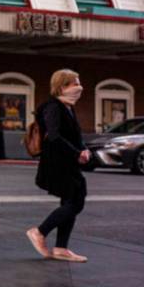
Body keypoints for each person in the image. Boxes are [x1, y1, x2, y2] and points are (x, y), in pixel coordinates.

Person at [26, 69, 90, 263]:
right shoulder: (53, 107)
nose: (79, 87)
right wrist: (76, 153)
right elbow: (53, 136)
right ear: (62, 87)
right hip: (57, 164)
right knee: (76, 200)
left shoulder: (68, 107)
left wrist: (84, 149)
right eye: (75, 83)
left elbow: (74, 135)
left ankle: (61, 247)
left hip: (67, 163)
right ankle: (39, 231)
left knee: (71, 200)